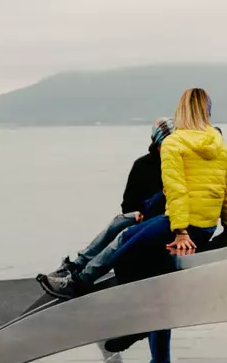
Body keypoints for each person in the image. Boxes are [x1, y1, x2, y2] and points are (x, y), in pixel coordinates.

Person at [45, 87, 227, 363]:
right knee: (148, 282)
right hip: (201, 225)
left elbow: (177, 191)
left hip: (181, 227)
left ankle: (83, 283)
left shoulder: (177, 144)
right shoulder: (217, 144)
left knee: (129, 251)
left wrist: (178, 231)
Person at [37, 119, 172, 296]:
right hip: (143, 214)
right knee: (119, 221)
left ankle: (81, 279)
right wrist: (138, 211)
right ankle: (76, 265)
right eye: (165, 144)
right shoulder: (142, 166)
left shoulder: (176, 166)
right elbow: (128, 203)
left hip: (160, 217)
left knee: (122, 236)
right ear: (156, 143)